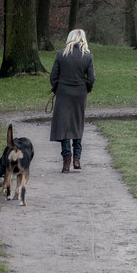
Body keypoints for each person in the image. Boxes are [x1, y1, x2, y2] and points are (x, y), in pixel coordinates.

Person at [49, 28, 95, 173]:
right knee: (77, 124)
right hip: (80, 94)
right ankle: (77, 158)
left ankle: (66, 158)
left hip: (64, 92)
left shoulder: (61, 54)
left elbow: (53, 76)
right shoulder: (87, 56)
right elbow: (92, 78)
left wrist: (57, 88)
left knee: (63, 125)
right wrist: (86, 88)